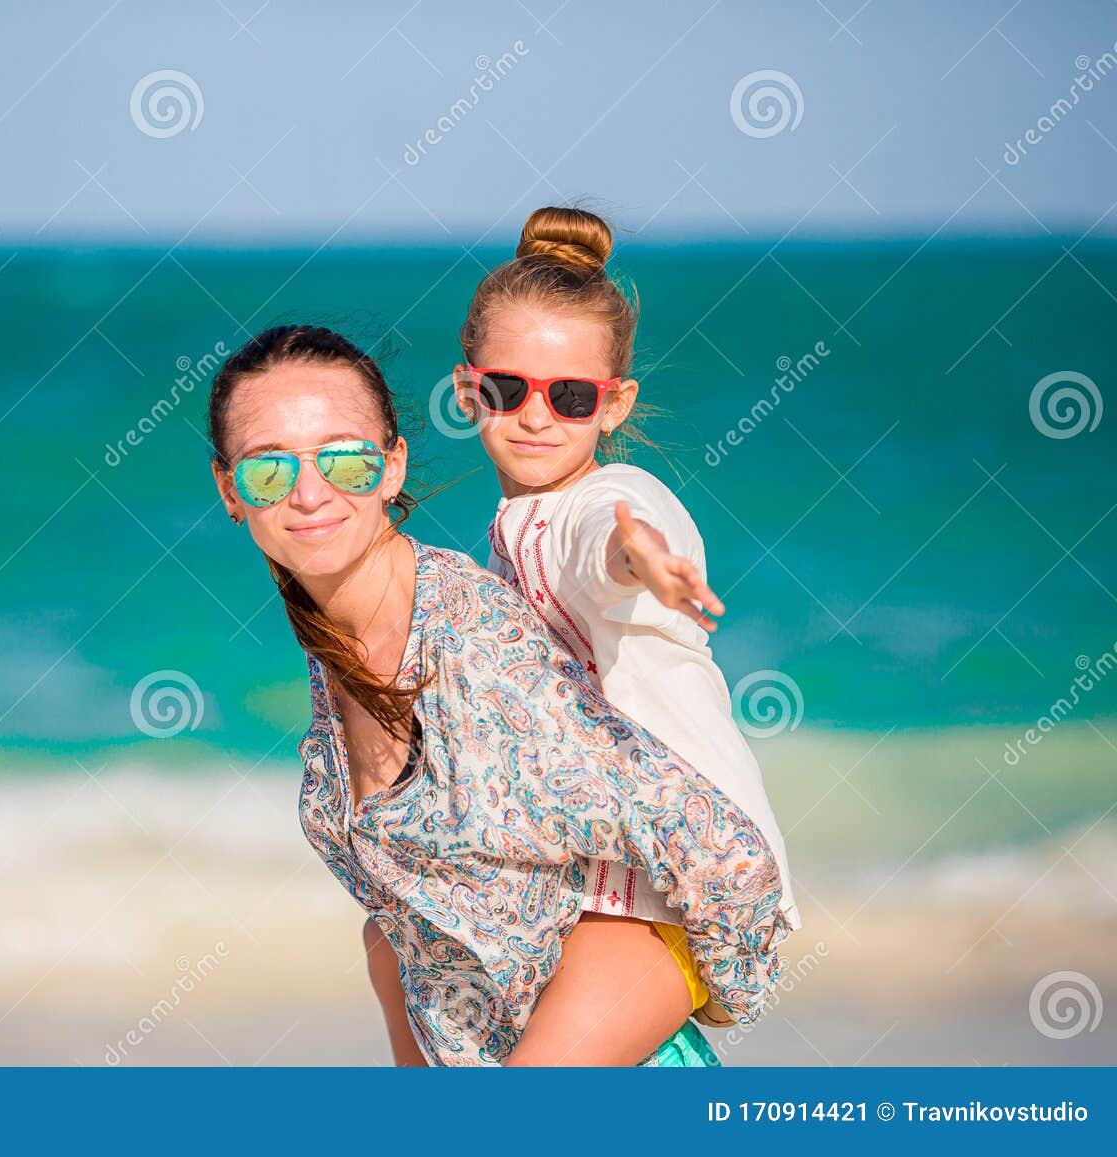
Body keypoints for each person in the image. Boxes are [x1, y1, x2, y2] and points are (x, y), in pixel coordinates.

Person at [206, 323, 788, 1066]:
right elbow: (406, 938)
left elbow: (720, 850)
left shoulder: (468, 639)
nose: (311, 491)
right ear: (231, 490)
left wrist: (683, 991)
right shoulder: (335, 649)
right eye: (268, 470)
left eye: (345, 460)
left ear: (391, 466)